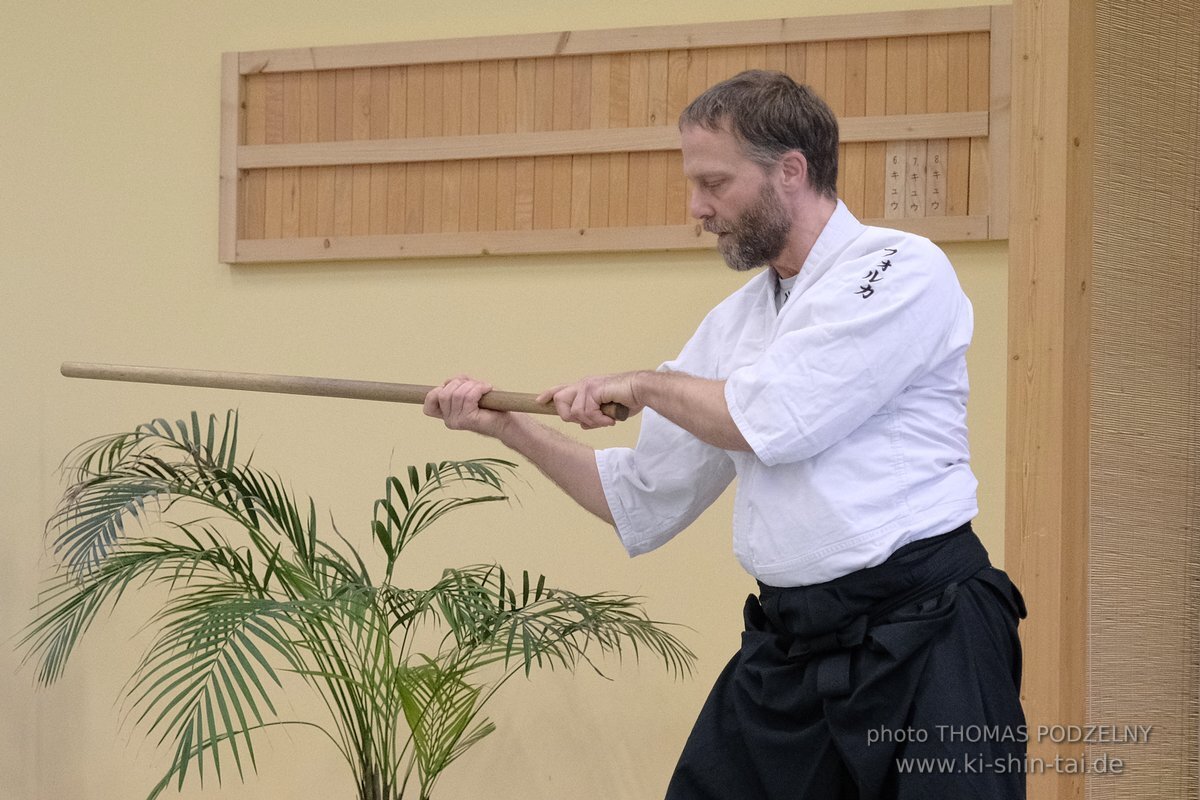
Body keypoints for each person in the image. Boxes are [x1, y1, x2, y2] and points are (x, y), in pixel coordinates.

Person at [424, 70, 1026, 800]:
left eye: (715, 183)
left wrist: (644, 385)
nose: (696, 209)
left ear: (791, 171)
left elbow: (773, 420)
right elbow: (641, 500)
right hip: (791, 641)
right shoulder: (736, 323)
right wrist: (510, 429)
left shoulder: (900, 269)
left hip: (929, 634)